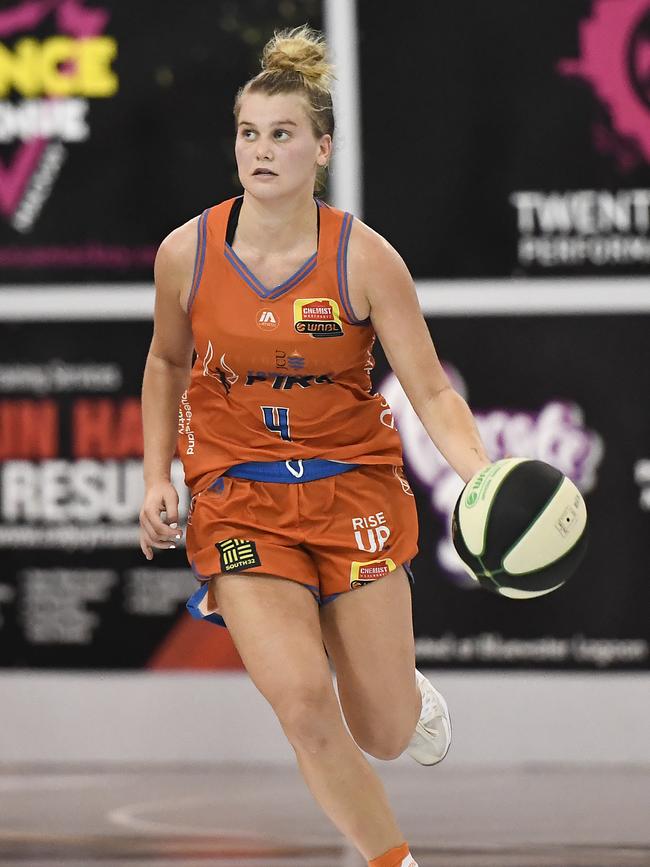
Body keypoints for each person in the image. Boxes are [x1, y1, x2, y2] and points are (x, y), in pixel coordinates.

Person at [139, 24, 491, 867]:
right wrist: (157, 473)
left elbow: (432, 390)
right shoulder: (185, 253)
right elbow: (164, 360)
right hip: (238, 498)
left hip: (353, 491)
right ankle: (396, 862)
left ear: (321, 148)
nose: (261, 151)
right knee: (301, 702)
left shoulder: (366, 258)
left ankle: (402, 695)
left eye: (282, 134)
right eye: (248, 133)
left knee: (383, 729)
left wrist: (484, 479)